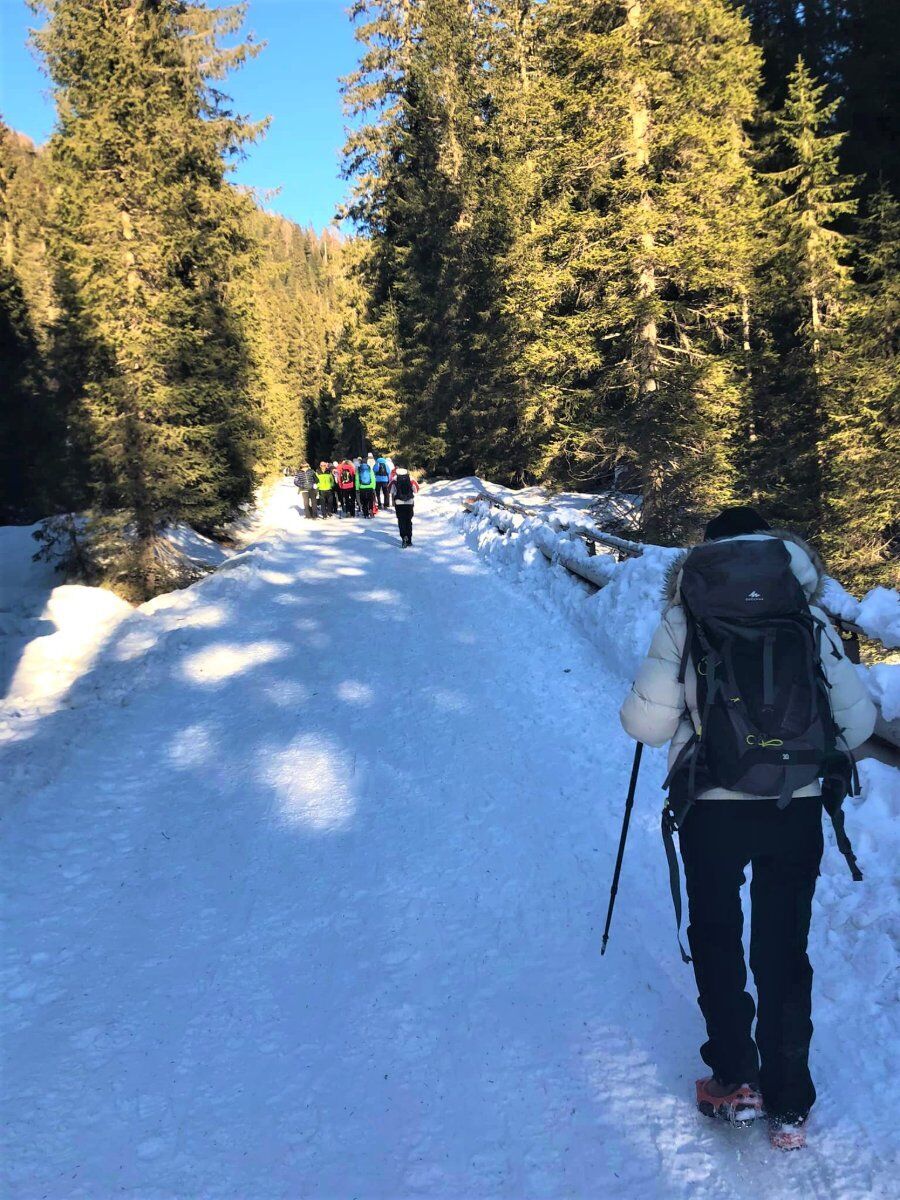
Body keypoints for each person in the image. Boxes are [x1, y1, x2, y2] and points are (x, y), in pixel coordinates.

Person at [619, 506, 875, 1151]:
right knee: (783, 949)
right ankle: (790, 1100)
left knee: (716, 933)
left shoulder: (687, 615)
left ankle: (735, 1079)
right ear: (780, 552)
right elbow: (859, 724)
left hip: (713, 803)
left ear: (705, 558)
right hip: (796, 805)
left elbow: (646, 726)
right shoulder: (806, 616)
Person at [389, 459, 419, 546]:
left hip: (399, 503)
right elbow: (416, 489)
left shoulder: (395, 479)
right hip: (409, 503)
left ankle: (404, 537)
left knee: (401, 520)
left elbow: (390, 490)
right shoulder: (411, 478)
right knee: (408, 521)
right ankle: (409, 539)